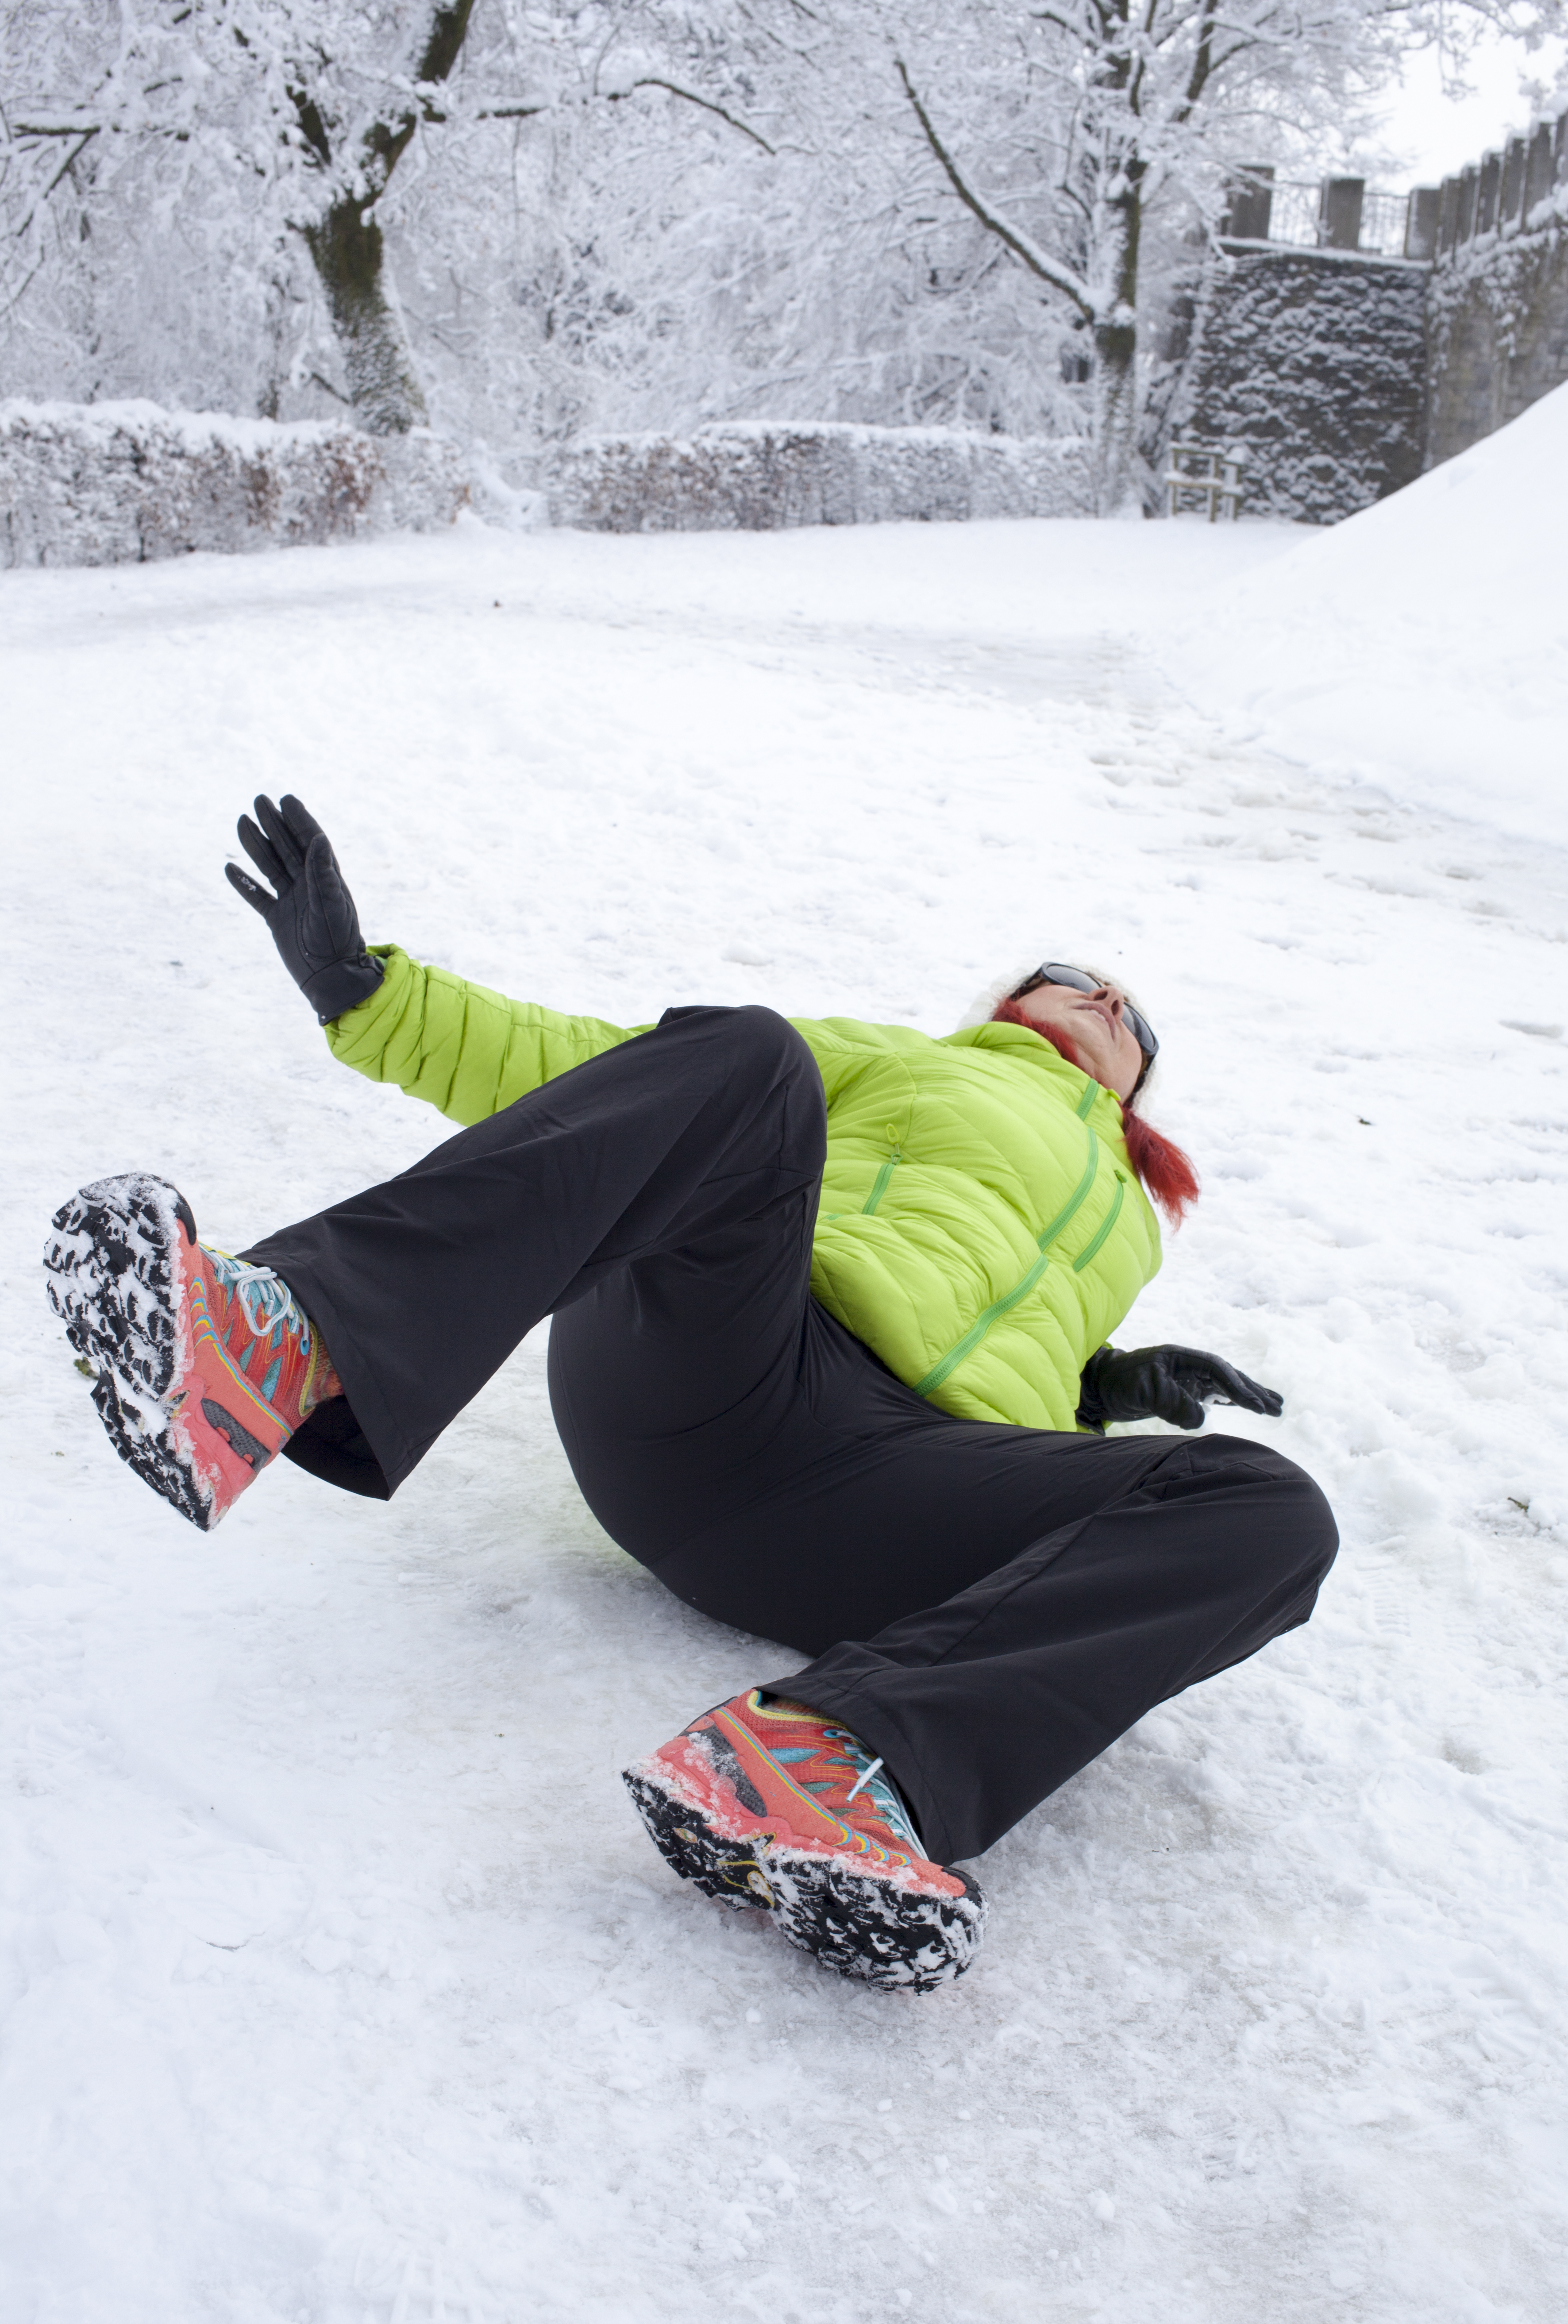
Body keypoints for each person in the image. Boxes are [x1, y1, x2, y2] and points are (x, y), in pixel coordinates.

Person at [45, 796, 1338, 1995]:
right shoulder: (906, 1064)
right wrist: (372, 996)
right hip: (724, 1370)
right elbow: (590, 1076)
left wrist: (1098, 1387)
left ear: (1137, 1094)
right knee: (750, 1063)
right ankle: (271, 1349)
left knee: (1273, 1511)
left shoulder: (1131, 1230)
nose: (1103, 996)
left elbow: (1024, 1387)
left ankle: (835, 1769)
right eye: (1072, 977)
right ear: (1006, 1005)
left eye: (1128, 1010)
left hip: (882, 1504)